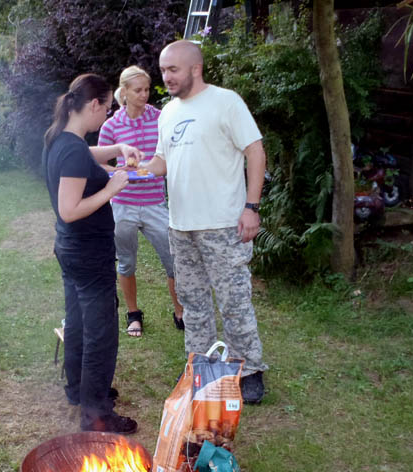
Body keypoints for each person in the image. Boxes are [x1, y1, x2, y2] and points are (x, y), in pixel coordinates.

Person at [141, 40, 268, 404]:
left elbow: (255, 151)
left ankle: (249, 370)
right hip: (181, 225)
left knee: (233, 301)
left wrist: (251, 207)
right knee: (192, 302)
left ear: (195, 69)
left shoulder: (226, 102)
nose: (166, 77)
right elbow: (162, 162)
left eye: (172, 70)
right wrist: (134, 168)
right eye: (162, 70)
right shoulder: (168, 112)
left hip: (223, 224)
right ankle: (200, 365)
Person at [42, 73, 143, 434]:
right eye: (108, 107)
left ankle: (78, 390)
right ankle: (97, 414)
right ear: (95, 104)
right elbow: (69, 209)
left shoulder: (61, 138)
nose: (108, 115)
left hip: (70, 249)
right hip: (87, 252)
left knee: (78, 322)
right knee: (100, 333)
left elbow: (86, 156)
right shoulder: (71, 148)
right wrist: (112, 187)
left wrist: (119, 149)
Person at [97, 65, 184, 338]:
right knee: (126, 263)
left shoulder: (160, 119)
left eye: (147, 89)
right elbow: (100, 163)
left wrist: (147, 168)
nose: (144, 94)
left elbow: (170, 157)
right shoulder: (111, 126)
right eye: (138, 90)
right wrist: (119, 172)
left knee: (173, 260)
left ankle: (180, 312)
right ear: (124, 92)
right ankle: (133, 314)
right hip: (123, 204)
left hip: (155, 203)